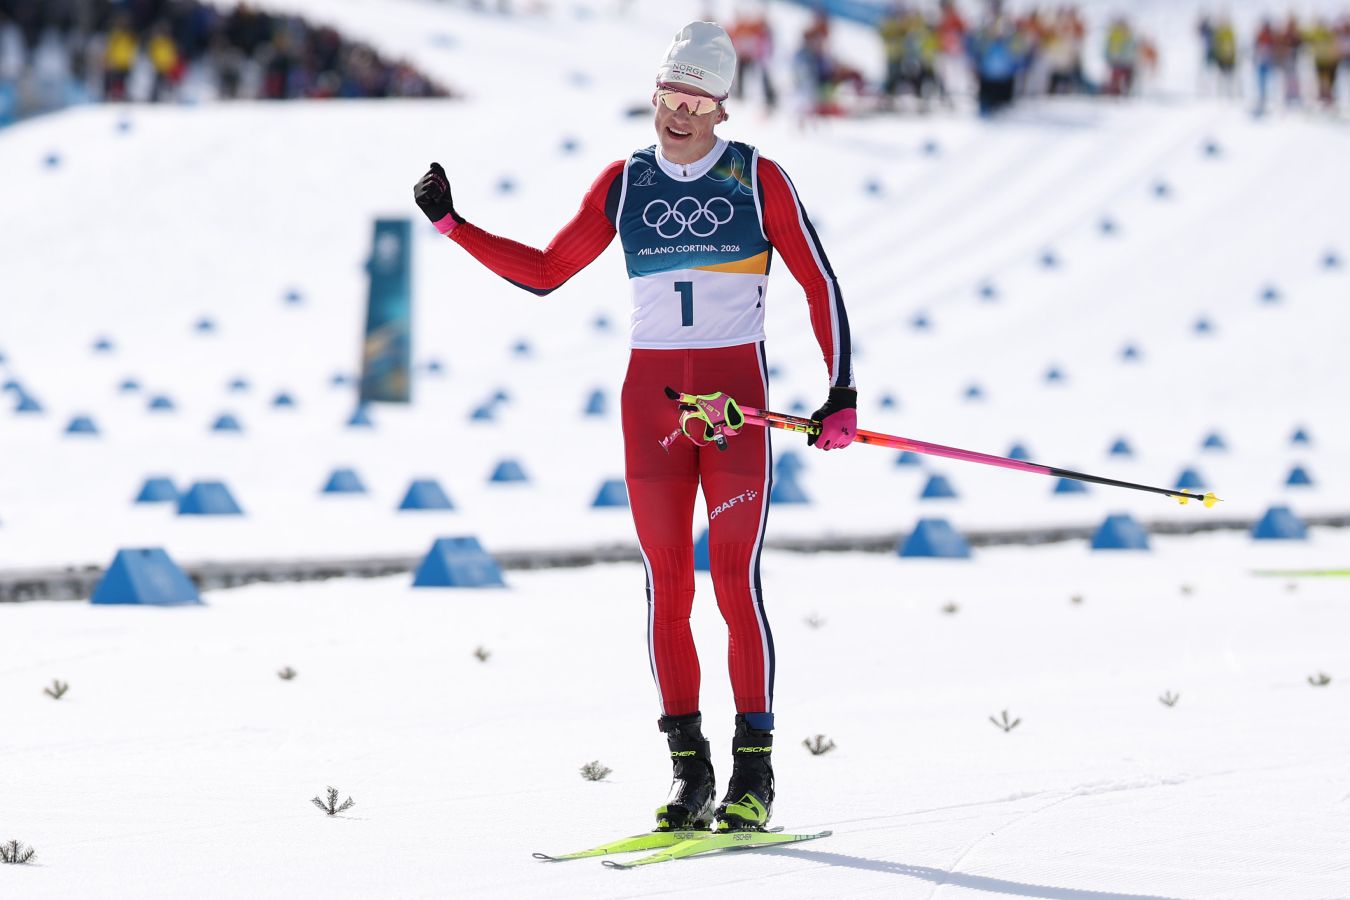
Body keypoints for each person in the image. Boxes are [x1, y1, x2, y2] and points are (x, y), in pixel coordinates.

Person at [413, 20, 856, 833]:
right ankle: (690, 774)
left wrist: (842, 392)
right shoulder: (625, 183)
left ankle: (753, 774)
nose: (678, 115)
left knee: (733, 586)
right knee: (666, 593)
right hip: (649, 409)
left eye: (696, 102)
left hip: (733, 412)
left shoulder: (759, 179)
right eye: (667, 98)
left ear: (721, 110)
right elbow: (547, 272)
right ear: (654, 97)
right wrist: (453, 225)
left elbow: (818, 283)